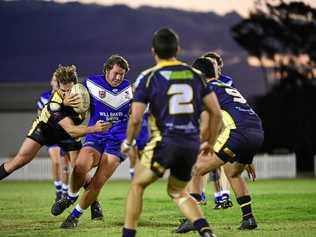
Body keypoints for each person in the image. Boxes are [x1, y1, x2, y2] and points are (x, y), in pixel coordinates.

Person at [120, 28, 223, 237]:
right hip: (191, 144)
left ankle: (127, 235)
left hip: (165, 142)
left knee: (137, 185)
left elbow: (136, 118)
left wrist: (128, 142)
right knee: (178, 191)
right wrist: (209, 143)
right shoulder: (196, 75)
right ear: (178, 49)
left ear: (153, 51)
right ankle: (206, 233)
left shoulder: (148, 77)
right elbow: (216, 114)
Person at [174, 56, 264, 233]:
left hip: (238, 134)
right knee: (232, 171)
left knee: (195, 168)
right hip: (256, 132)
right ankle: (248, 218)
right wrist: (248, 157)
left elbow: (207, 121)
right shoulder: (227, 87)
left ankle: (193, 218)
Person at [51, 55, 133, 229]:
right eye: (116, 73)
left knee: (97, 181)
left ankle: (74, 216)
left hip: (117, 141)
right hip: (96, 137)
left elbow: (141, 109)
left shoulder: (130, 89)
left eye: (122, 74)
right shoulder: (90, 84)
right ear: (107, 70)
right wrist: (65, 102)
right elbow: (70, 98)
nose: (118, 77)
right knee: (80, 166)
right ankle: (71, 196)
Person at [0, 65, 109, 183]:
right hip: (45, 130)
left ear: (76, 87)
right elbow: (71, 130)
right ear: (58, 88)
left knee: (79, 167)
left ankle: (93, 201)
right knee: (20, 160)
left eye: (69, 91)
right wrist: (94, 128)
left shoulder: (85, 96)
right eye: (63, 91)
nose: (66, 94)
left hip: (67, 134)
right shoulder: (54, 103)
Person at [36, 75, 70, 201]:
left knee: (65, 164)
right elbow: (40, 117)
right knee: (56, 161)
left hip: (64, 134)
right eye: (55, 80)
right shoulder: (44, 97)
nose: (56, 83)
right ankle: (58, 191)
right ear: (51, 82)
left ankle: (66, 192)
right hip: (51, 135)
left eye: (59, 81)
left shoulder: (66, 96)